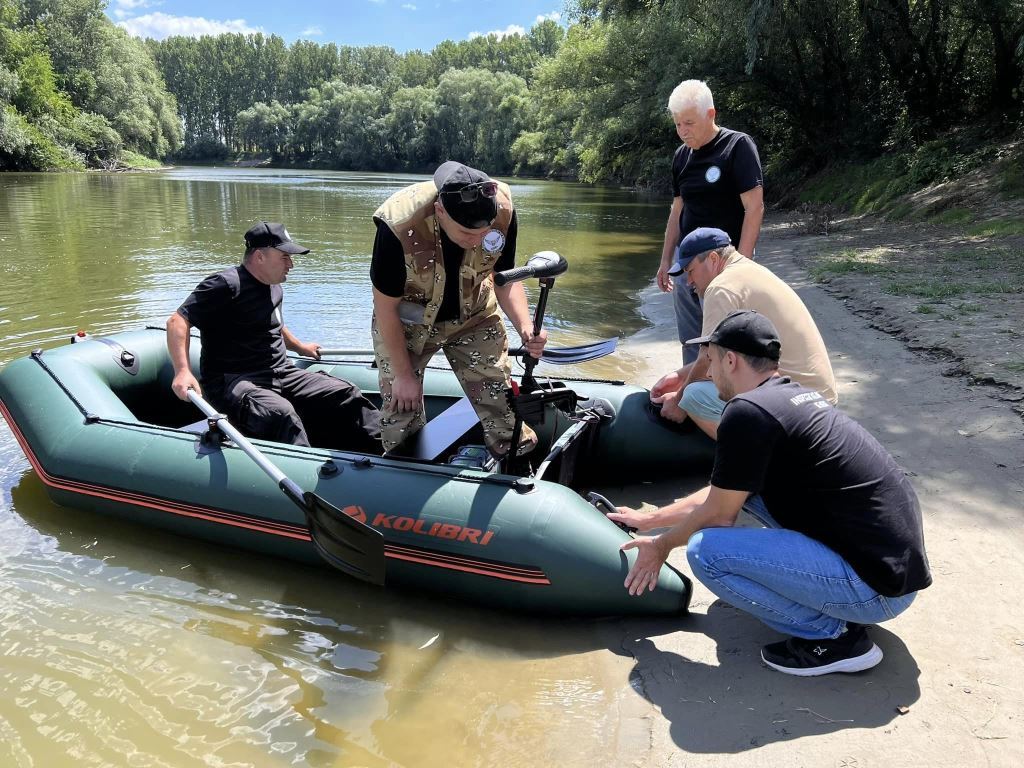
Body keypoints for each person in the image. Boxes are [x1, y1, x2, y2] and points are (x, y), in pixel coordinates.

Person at [610, 310, 931, 676]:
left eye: (711, 361)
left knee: (708, 552)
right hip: (894, 573)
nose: (709, 372)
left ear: (730, 360)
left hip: (875, 590)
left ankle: (835, 637)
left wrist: (661, 546)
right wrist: (648, 520)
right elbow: (722, 495)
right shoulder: (788, 397)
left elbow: (718, 516)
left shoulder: (747, 412)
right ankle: (834, 604)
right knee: (754, 495)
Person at [370, 160, 547, 457]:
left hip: (475, 315)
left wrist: (525, 327)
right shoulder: (398, 225)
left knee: (499, 399)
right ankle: (404, 476)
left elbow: (504, 278)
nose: (477, 241)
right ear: (440, 211)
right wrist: (403, 375)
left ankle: (515, 464)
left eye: (484, 233)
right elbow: (385, 307)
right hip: (408, 324)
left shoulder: (502, 209)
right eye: (467, 234)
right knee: (401, 408)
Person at [167, 221, 382, 452]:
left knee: (345, 392)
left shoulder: (274, 286)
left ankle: (392, 452)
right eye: (285, 257)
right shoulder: (226, 284)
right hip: (235, 381)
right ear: (260, 257)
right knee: (281, 414)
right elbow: (178, 321)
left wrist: (299, 347)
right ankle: (309, 473)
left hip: (280, 373)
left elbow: (275, 324)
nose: (291, 264)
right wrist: (182, 371)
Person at [651, 227, 837, 438]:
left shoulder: (720, 288)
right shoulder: (749, 270)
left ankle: (755, 459)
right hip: (820, 400)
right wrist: (678, 376)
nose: (689, 282)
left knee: (694, 396)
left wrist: (678, 401)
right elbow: (716, 358)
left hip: (796, 407)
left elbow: (707, 358)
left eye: (691, 271)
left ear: (713, 258)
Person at [656, 79, 764, 364]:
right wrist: (666, 260)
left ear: (710, 114)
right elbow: (676, 211)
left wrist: (744, 263)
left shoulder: (737, 146)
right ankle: (691, 391)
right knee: (691, 337)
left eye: (689, 123)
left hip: (723, 261)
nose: (682, 131)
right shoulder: (681, 157)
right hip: (685, 260)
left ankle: (725, 398)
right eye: (678, 124)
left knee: (724, 336)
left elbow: (754, 208)